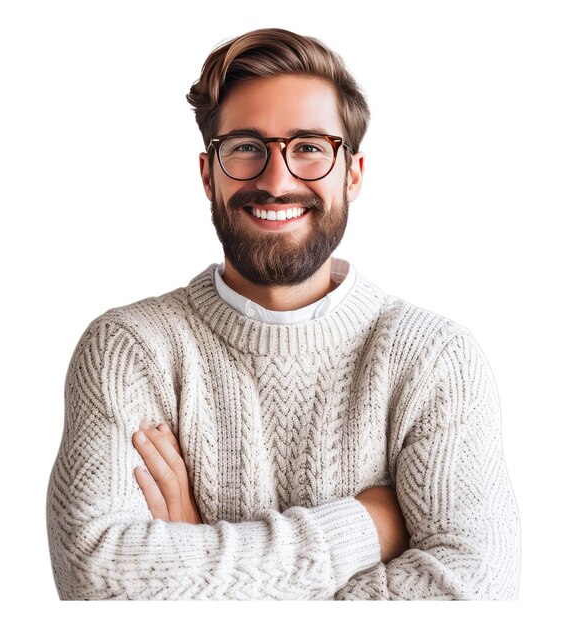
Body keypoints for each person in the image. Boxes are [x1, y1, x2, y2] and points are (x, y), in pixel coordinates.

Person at [46, 27, 520, 600]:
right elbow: (99, 583)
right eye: (245, 146)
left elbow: (476, 595)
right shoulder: (129, 349)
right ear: (207, 173)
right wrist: (369, 525)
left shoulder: (433, 358)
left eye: (310, 148)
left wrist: (199, 574)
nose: (276, 181)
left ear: (353, 173)